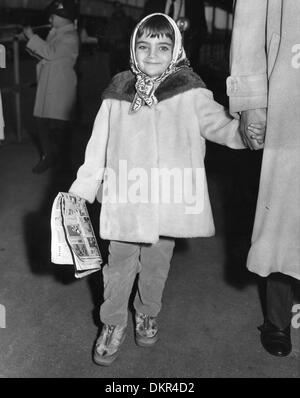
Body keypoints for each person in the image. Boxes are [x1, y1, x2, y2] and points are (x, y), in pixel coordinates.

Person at [68, 13, 263, 366]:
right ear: (133, 50)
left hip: (168, 201)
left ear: (176, 51)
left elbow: (218, 124)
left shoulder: (189, 91)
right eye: (144, 46)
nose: (153, 54)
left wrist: (245, 132)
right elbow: (97, 146)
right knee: (118, 266)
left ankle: (146, 312)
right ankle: (112, 324)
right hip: (126, 198)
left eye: (162, 46)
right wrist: (82, 189)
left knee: (156, 265)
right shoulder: (117, 93)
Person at [227, 0, 300, 357]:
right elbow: (249, 22)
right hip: (293, 81)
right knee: (284, 214)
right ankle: (277, 318)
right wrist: (251, 98)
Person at [23, 0, 79, 174]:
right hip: (49, 85)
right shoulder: (55, 33)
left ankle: (62, 162)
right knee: (42, 123)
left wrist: (32, 37)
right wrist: (30, 42)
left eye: (53, 16)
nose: (50, 18)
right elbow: (45, 54)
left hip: (60, 89)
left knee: (57, 128)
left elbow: (51, 53)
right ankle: (49, 156)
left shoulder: (70, 36)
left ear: (64, 18)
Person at [143, 0, 207, 73]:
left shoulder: (196, 4)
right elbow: (142, 32)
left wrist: (189, 52)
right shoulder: (152, 3)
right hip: (155, 62)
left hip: (185, 65)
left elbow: (202, 32)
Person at [103, 1, 134, 77]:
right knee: (113, 72)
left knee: (122, 72)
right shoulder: (111, 19)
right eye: (115, 7)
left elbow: (128, 34)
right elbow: (108, 33)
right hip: (113, 49)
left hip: (122, 50)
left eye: (118, 7)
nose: (117, 9)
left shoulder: (127, 20)